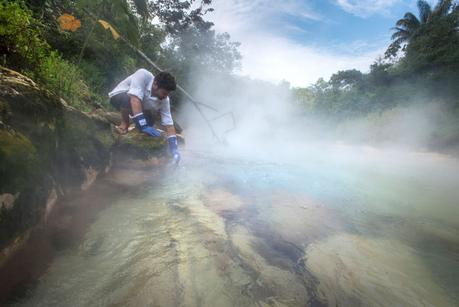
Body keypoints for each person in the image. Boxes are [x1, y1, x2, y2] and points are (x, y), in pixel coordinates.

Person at [108, 68, 180, 165]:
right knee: (128, 99)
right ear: (155, 84)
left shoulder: (165, 100)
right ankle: (124, 124)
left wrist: (174, 149)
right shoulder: (143, 75)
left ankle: (134, 128)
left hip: (137, 105)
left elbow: (169, 124)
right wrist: (143, 125)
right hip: (119, 96)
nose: (165, 96)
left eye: (167, 94)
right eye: (164, 93)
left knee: (150, 121)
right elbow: (134, 100)